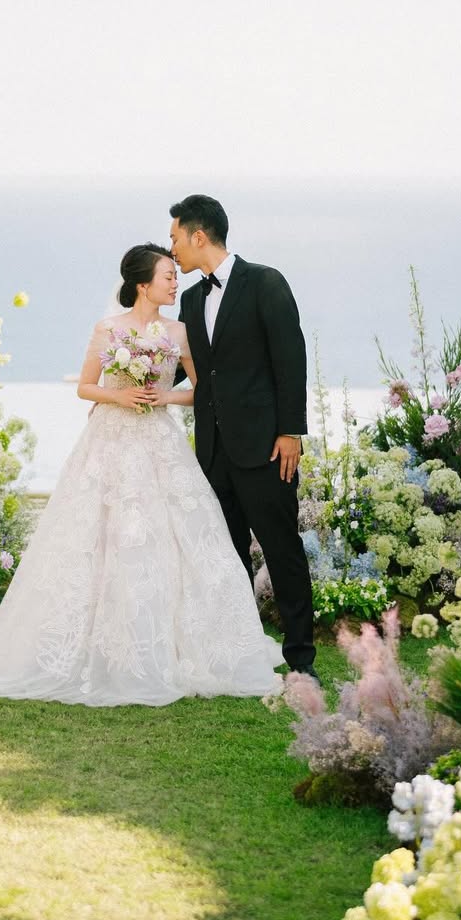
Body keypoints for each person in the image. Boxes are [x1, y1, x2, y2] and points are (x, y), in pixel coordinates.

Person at [0, 243, 282, 706]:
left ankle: (177, 644)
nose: (175, 283)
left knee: (176, 535)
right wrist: (118, 395)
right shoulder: (108, 329)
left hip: (160, 440)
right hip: (110, 441)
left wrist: (164, 397)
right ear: (142, 284)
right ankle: (93, 643)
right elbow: (85, 386)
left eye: (175, 275)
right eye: (167, 276)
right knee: (98, 534)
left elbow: (204, 391)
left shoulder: (180, 332)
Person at [169, 194, 316, 677]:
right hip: (213, 452)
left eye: (175, 238)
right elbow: (187, 368)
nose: (172, 250)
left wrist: (291, 431)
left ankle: (301, 659)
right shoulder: (191, 300)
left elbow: (290, 360)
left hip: (266, 448)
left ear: (198, 236)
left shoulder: (266, 283)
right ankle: (240, 656)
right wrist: (133, 371)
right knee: (226, 558)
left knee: (282, 551)